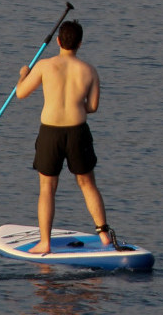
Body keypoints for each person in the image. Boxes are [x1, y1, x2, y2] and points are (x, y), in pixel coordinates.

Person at [15, 19, 114, 254]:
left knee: (47, 187)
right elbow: (93, 106)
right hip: (77, 131)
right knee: (87, 183)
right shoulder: (89, 71)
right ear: (80, 43)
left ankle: (45, 243)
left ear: (59, 41)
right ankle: (104, 236)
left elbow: (20, 93)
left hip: (51, 132)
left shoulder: (43, 66)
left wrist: (23, 73)